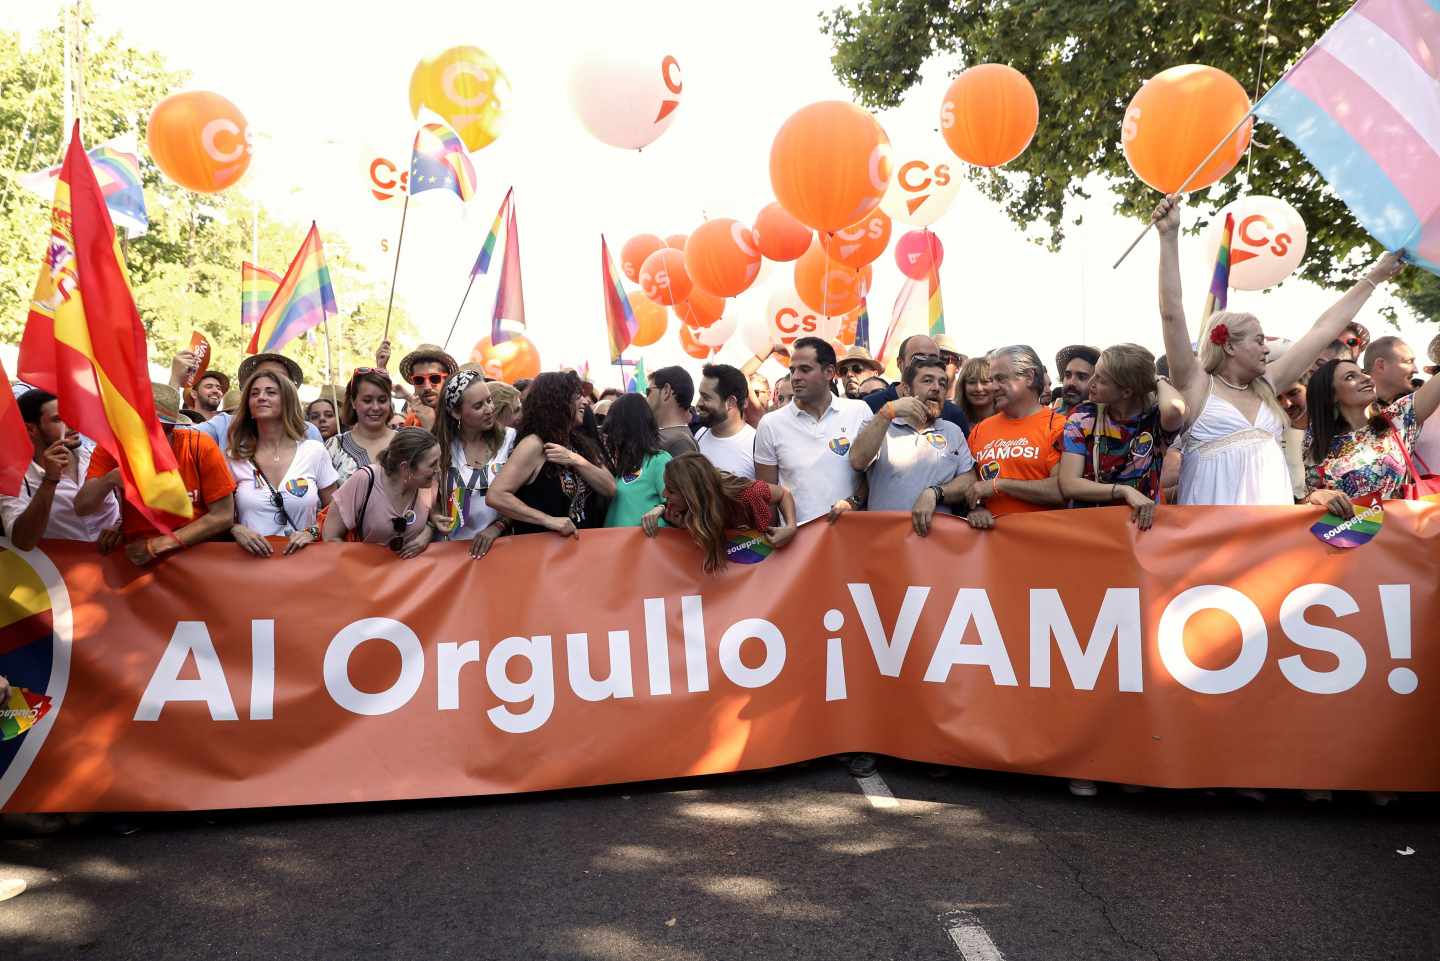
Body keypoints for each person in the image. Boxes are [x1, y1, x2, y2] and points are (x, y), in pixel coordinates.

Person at [1153, 193, 1404, 505]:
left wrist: (1374, 277)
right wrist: (1168, 236)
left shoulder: (1267, 385)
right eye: (1258, 341)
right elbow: (1172, 311)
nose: (1265, 348)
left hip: (1271, 529)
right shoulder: (1196, 383)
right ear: (1229, 345)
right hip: (1211, 530)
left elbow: (1323, 329)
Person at [76, 384, 237, 565]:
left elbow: (223, 515)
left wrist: (157, 545)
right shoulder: (112, 448)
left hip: (197, 555)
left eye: (161, 429)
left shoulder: (199, 446)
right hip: (138, 557)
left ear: (171, 428)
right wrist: (110, 479)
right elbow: (82, 507)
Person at [848, 355, 982, 535]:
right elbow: (857, 461)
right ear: (905, 390)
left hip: (938, 547)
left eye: (942, 383)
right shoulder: (879, 424)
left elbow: (969, 480)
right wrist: (886, 414)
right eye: (927, 381)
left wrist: (935, 493)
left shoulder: (952, 431)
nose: (936, 388)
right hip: (885, 543)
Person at [1057, 344, 1185, 529]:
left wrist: (1156, 379)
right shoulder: (1083, 416)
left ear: (1126, 391)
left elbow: (1175, 408)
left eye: (1100, 379)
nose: (1091, 383)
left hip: (1140, 532)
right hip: (1091, 530)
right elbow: (1069, 484)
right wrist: (1123, 491)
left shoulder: (1155, 420)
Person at [754, 337, 873, 525]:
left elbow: (873, 475)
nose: (796, 377)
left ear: (829, 372)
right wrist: (774, 538)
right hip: (797, 545)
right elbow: (766, 494)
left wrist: (854, 502)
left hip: (851, 538)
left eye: (805, 369)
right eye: (792, 370)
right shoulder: (770, 424)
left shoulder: (859, 411)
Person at [488, 371, 617, 536]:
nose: (585, 402)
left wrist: (576, 460)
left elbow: (610, 488)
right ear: (558, 401)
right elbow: (496, 495)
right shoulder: (534, 444)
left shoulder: (578, 442)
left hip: (581, 551)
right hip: (544, 554)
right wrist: (548, 520)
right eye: (577, 396)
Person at [1303, 357, 1440, 513]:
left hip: (1402, 531)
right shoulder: (1316, 441)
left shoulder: (1395, 420)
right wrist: (1318, 496)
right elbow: (1304, 499)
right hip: (1350, 534)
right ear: (1332, 395)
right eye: (1350, 377)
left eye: (1362, 372)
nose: (1366, 377)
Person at [226, 370, 338, 557]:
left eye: (271, 392)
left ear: (287, 401)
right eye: (255, 393)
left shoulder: (314, 451)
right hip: (251, 567)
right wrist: (235, 530)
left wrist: (311, 532)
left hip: (304, 566)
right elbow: (219, 516)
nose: (261, 397)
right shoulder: (234, 457)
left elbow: (336, 512)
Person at [0, 389, 122, 551]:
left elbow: (125, 497)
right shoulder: (12, 479)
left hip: (121, 567)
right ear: (31, 429)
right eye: (58, 419)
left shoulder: (96, 455)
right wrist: (50, 480)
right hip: (59, 573)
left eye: (71, 415)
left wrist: (121, 526)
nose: (72, 424)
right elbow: (22, 541)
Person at [640, 452, 797, 572]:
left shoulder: (747, 494)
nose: (664, 494)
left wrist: (790, 527)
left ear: (692, 495)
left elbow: (783, 494)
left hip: (762, 569)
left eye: (671, 490)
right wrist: (659, 510)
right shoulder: (680, 508)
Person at [963, 346, 1066, 519]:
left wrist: (1000, 485)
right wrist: (977, 508)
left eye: (1000, 378)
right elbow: (968, 484)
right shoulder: (981, 429)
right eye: (992, 379)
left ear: (1029, 377)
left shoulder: (1059, 426)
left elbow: (1061, 490)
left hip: (1043, 540)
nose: (993, 387)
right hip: (990, 542)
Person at [430, 369, 517, 559]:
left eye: (489, 400)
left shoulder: (510, 440)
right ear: (455, 412)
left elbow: (524, 495)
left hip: (498, 551)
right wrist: (434, 516)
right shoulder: (440, 447)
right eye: (478, 406)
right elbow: (424, 495)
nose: (489, 409)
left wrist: (497, 527)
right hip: (449, 554)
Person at [322, 427, 438, 556]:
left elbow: (433, 519)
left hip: (412, 574)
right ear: (405, 467)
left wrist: (428, 532)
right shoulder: (365, 479)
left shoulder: (426, 483)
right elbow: (331, 537)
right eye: (433, 464)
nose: (438, 469)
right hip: (366, 573)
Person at [185, 353, 325, 446]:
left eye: (279, 379)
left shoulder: (308, 432)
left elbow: (326, 489)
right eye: (261, 377)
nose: (268, 384)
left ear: (290, 391)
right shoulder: (224, 426)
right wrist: (175, 380)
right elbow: (175, 438)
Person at [863, 335, 971, 435]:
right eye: (918, 358)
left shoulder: (954, 415)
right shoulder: (869, 405)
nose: (927, 364)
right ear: (900, 363)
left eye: (933, 359)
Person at [602, 394, 672, 527]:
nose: (610, 436)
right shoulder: (622, 465)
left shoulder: (659, 460)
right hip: (614, 544)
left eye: (614, 428)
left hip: (647, 545)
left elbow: (677, 504)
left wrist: (660, 509)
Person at [327, 368, 396, 485]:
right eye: (367, 400)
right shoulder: (334, 447)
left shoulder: (406, 442)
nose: (375, 407)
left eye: (382, 400)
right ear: (353, 402)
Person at [694, 363, 757, 479]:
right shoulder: (699, 435)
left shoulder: (756, 444)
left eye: (706, 397)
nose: (698, 404)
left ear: (731, 402)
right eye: (700, 396)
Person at [380, 341, 459, 431]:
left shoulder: (460, 417)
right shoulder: (411, 421)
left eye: (434, 378)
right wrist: (381, 367)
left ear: (447, 379)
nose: (427, 387)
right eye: (419, 380)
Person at [645, 365, 700, 458]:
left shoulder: (681, 443)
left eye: (648, 391)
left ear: (666, 391)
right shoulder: (673, 437)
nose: (646, 398)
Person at [1364, 336, 1419, 405]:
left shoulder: (1415, 405)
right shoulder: (1354, 410)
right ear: (1381, 366)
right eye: (1408, 361)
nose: (1416, 370)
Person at [1053, 345, 1100, 414]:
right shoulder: (1050, 417)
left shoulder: (1104, 422)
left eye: (1081, 377)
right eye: (1068, 375)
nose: (1071, 382)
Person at [958, 356, 996, 427]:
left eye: (985, 382)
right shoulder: (955, 420)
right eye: (972, 382)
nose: (979, 389)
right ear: (963, 386)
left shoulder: (1009, 419)